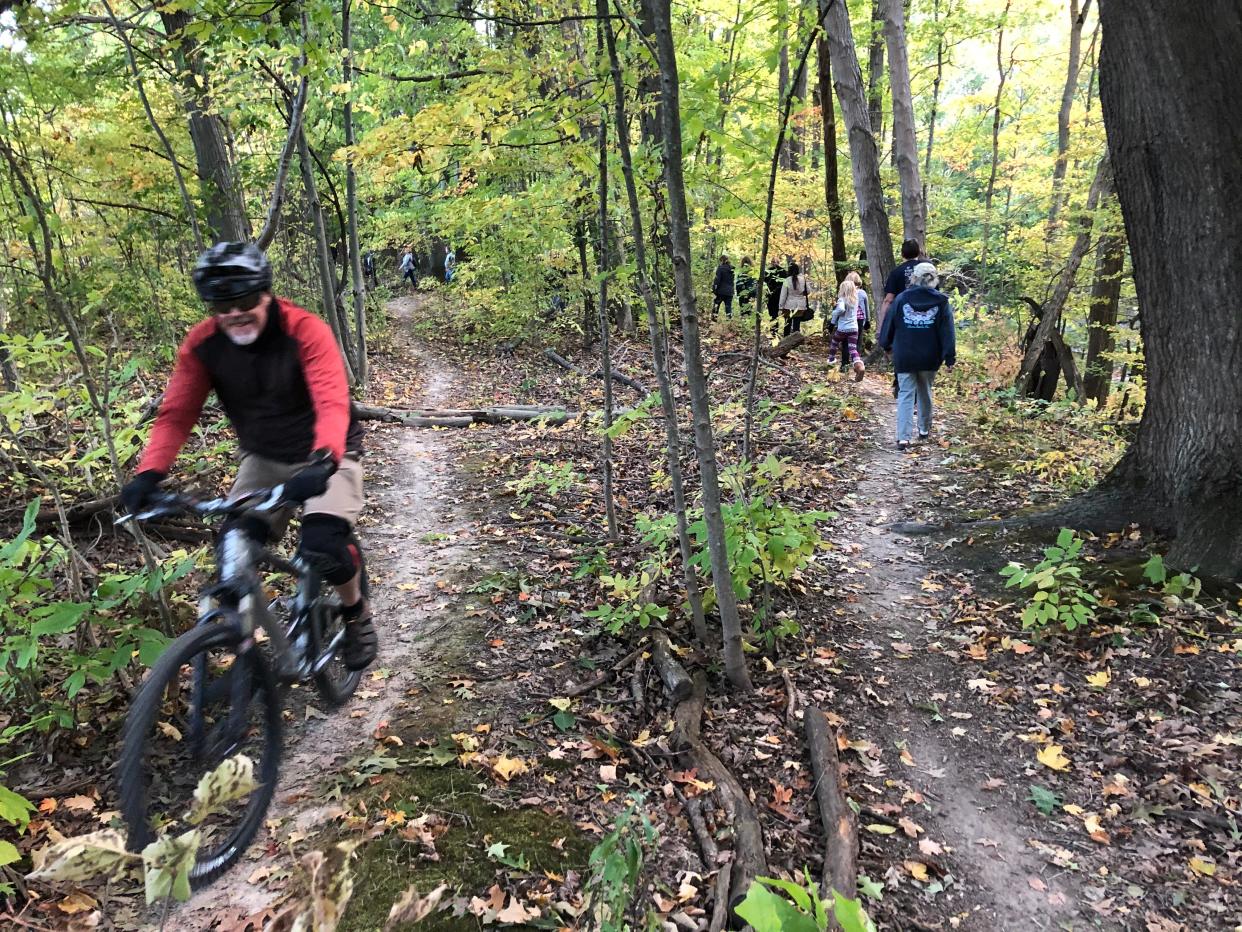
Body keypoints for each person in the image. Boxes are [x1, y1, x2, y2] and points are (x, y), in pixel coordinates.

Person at [119, 242, 379, 671]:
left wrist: (324, 460)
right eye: (222, 304)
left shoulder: (304, 329)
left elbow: (332, 401)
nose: (235, 312)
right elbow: (176, 413)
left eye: (244, 300)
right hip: (264, 456)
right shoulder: (203, 345)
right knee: (233, 545)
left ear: (266, 294)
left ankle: (356, 614)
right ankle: (241, 648)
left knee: (323, 542)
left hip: (329, 449)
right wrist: (148, 473)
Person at [878, 261, 956, 450]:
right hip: (930, 356)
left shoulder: (902, 299)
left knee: (905, 394)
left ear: (914, 277)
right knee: (925, 392)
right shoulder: (942, 301)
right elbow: (948, 331)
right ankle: (924, 430)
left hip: (905, 354)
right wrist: (949, 356)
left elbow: (890, 322)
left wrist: (885, 344)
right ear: (934, 279)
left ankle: (903, 437)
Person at [881, 240, 924, 395]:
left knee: (901, 349)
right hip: (925, 318)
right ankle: (919, 385)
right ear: (919, 252)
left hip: (902, 318)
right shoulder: (928, 272)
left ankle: (901, 382)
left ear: (902, 253)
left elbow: (888, 299)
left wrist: (883, 323)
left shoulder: (897, 272)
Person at [827, 279, 866, 381]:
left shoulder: (842, 299)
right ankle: (859, 366)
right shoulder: (855, 299)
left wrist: (834, 314)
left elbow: (841, 310)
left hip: (843, 329)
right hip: (854, 328)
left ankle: (831, 359)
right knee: (852, 349)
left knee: (834, 342)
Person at [779, 261, 812, 336]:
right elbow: (809, 291)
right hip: (800, 306)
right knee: (796, 325)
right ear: (798, 270)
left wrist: (781, 306)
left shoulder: (787, 280)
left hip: (788, 306)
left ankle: (786, 341)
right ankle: (796, 341)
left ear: (789, 270)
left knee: (787, 325)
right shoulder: (803, 279)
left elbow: (783, 295)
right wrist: (802, 294)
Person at [764, 259, 786, 333]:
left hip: (772, 295)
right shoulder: (783, 271)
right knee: (775, 313)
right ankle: (775, 330)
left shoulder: (767, 271)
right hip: (779, 295)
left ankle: (774, 330)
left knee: (773, 313)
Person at [711, 254, 735, 321]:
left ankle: (714, 320)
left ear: (721, 260)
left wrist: (714, 289)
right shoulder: (732, 269)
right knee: (728, 307)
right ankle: (729, 321)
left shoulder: (720, 268)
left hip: (720, 291)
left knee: (716, 305)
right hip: (730, 291)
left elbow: (717, 280)